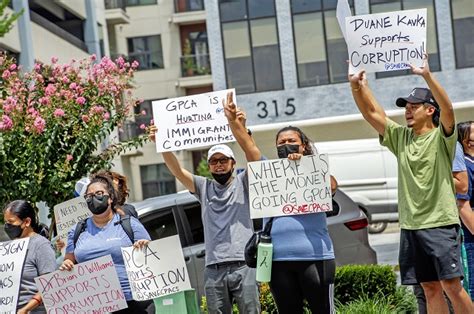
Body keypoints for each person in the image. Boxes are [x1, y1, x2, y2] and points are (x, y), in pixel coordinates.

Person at [349, 54, 473, 313]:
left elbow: (448, 110)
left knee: (451, 286)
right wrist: (356, 86)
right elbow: (372, 113)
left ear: (430, 110)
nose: (407, 109)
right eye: (405, 106)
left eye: (413, 105)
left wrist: (427, 75)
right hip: (410, 225)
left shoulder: (442, 138)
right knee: (429, 287)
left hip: (440, 224)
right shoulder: (401, 137)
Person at [222, 92, 338, 313]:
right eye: (281, 142)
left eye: (291, 141)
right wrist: (232, 121)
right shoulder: (268, 172)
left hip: (316, 257)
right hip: (277, 261)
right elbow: (248, 147)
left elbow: (332, 186)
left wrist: (305, 166)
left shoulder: (313, 168)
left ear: (303, 146)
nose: (286, 145)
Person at [148, 111, 260, 314]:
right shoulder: (203, 187)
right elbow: (177, 170)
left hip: (243, 265)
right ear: (208, 166)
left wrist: (239, 127)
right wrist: (162, 144)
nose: (218, 165)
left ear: (233, 163)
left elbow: (253, 155)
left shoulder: (244, 183)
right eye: (214, 161)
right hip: (213, 268)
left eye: (223, 160)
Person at [59, 174, 153, 313]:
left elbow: (151, 257)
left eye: (99, 193)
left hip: (133, 303)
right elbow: (69, 260)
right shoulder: (77, 230)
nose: (93, 198)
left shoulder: (129, 224)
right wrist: (67, 264)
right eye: (89, 196)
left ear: (110, 198)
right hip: (94, 306)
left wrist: (145, 246)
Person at [3, 200, 57, 314]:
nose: (7, 226)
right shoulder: (7, 248)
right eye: (5, 222)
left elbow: (49, 284)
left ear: (27, 222)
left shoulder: (41, 245)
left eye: (11, 222)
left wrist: (26, 309)